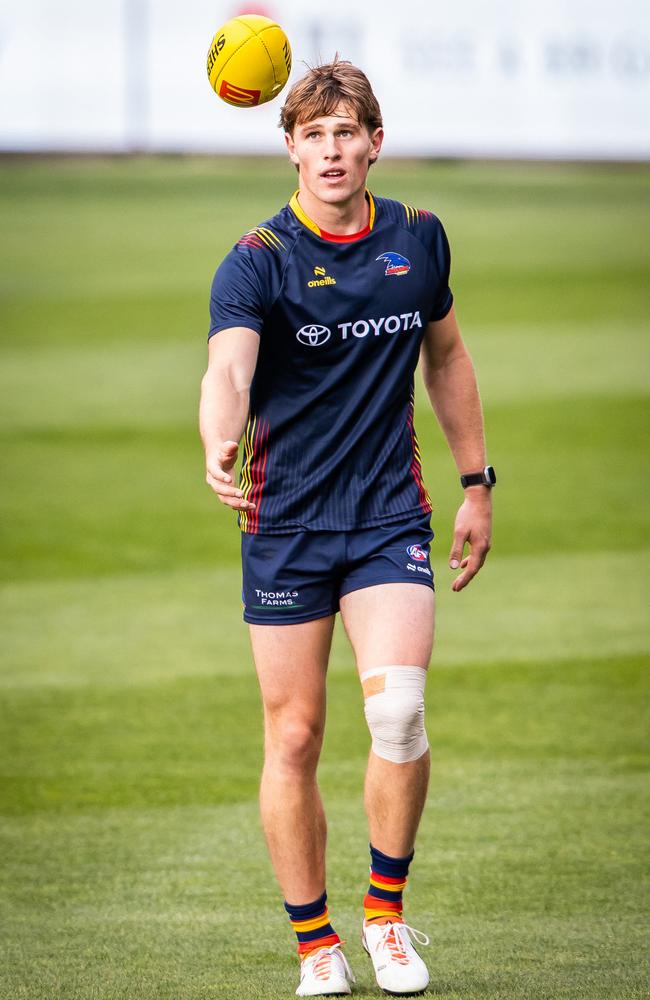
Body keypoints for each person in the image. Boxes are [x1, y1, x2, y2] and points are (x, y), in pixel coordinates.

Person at [199, 57, 494, 997]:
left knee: (398, 713)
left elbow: (446, 358)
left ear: (374, 142)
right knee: (293, 737)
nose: (331, 150)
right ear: (289, 147)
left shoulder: (419, 239)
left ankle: (386, 918)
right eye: (313, 134)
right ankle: (316, 943)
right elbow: (229, 370)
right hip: (284, 523)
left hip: (385, 518)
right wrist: (217, 438)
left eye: (347, 132)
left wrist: (477, 483)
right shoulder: (258, 260)